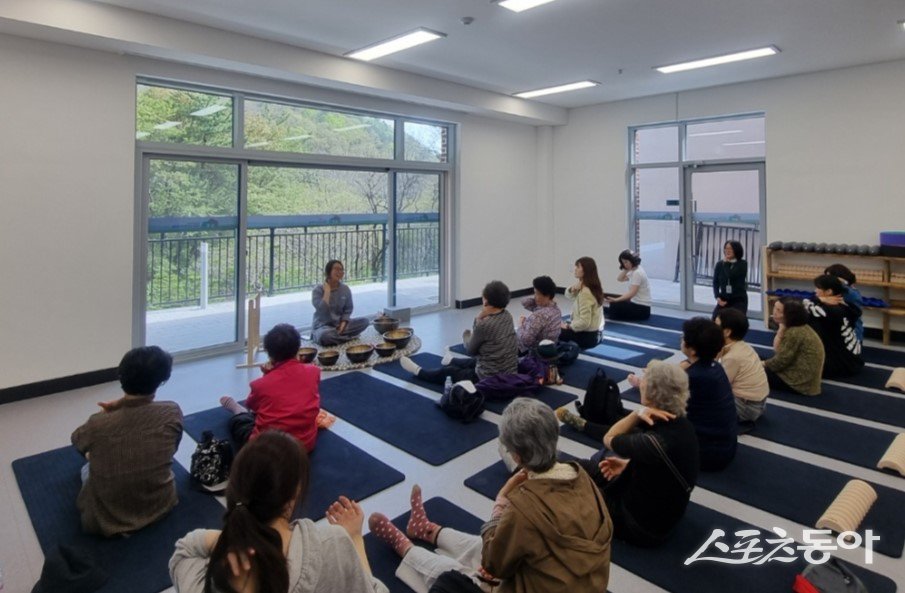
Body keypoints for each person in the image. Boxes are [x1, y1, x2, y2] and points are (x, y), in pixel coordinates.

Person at [368, 398, 612, 593]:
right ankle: (427, 529)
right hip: (578, 582)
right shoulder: (581, 477)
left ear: (516, 456)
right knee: (483, 543)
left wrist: (500, 505)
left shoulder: (524, 508)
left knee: (454, 576)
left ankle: (405, 547)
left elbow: (492, 564)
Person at [169, 431, 387, 593]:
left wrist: (231, 539)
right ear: (293, 494)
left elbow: (184, 551)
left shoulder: (208, 582)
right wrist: (354, 537)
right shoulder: (332, 543)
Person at [574, 361, 699, 547]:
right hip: (657, 509)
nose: (640, 384)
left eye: (644, 381)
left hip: (640, 526)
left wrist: (636, 414)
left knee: (570, 489)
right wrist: (629, 466)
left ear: (652, 393)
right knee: (577, 467)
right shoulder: (682, 424)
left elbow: (609, 438)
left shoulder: (653, 442)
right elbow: (665, 467)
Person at [71, 346, 183, 537]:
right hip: (161, 505)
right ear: (162, 380)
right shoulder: (172, 412)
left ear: (121, 377)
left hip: (105, 521)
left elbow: (77, 440)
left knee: (87, 467)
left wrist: (114, 409)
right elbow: (173, 449)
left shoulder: (98, 423)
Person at [220, 323, 321, 452]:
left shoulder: (260, 384)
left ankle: (237, 410)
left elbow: (252, 406)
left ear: (269, 353)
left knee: (241, 423)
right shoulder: (314, 371)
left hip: (268, 450)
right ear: (298, 349)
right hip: (304, 445)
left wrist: (267, 375)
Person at [400, 281, 517, 384]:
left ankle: (419, 371)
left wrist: (477, 320)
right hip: (510, 373)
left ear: (485, 301)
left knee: (450, 372)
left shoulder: (484, 325)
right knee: (473, 362)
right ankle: (450, 360)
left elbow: (470, 350)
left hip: (488, 379)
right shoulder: (508, 316)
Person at [674, 317, 737, 471]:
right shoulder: (715, 366)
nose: (681, 339)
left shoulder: (694, 377)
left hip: (708, 454)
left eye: (684, 337)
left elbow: (663, 407)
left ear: (693, 349)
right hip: (726, 445)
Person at [715, 308, 770, 423]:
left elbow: (718, 384)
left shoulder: (733, 357)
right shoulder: (744, 346)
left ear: (727, 332)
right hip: (758, 404)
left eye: (716, 325)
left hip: (747, 408)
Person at [804, 274, 864, 378]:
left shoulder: (830, 310)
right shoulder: (846, 305)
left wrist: (819, 300)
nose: (815, 291)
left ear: (829, 292)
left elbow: (801, 306)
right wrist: (820, 300)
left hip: (841, 366)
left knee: (806, 321)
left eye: (818, 288)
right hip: (854, 360)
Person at [762, 298, 825, 396]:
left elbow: (780, 361)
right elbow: (778, 352)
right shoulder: (800, 327)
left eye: (779, 311)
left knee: (751, 369)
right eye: (775, 308)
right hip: (803, 378)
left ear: (790, 315)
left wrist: (762, 364)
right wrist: (781, 329)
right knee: (757, 361)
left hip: (798, 383)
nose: (774, 312)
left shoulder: (794, 332)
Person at [311, 259, 369, 346]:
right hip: (323, 327)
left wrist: (343, 323)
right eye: (336, 269)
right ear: (329, 271)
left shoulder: (345, 289)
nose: (340, 272)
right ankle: (348, 338)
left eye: (341, 270)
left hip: (340, 325)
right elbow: (322, 310)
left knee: (365, 321)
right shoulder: (318, 290)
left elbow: (348, 309)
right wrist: (327, 292)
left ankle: (339, 336)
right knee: (325, 336)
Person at [560, 256, 605, 349]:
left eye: (578, 267)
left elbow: (584, 322)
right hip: (595, 334)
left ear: (586, 271)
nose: (575, 269)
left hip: (587, 338)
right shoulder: (592, 286)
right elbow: (568, 295)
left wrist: (568, 326)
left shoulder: (585, 292)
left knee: (551, 330)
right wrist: (573, 288)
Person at [516, 275, 561, 354]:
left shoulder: (539, 315)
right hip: (548, 349)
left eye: (537, 293)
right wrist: (538, 298)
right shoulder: (556, 310)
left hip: (532, 351)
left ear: (547, 295)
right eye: (534, 293)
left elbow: (526, 341)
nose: (535, 296)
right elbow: (524, 302)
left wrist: (520, 325)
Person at [605, 249, 651, 321]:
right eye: (623, 262)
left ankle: (610, 316)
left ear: (632, 260)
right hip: (636, 304)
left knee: (615, 305)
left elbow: (632, 293)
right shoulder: (634, 270)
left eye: (626, 262)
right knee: (615, 302)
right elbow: (620, 279)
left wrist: (616, 300)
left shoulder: (637, 273)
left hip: (642, 309)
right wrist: (625, 269)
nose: (624, 264)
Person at [824, 264, 865, 343]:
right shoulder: (837, 290)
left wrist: (842, 281)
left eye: (829, 278)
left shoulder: (850, 293)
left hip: (852, 334)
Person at [712, 240, 748, 319]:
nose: (727, 251)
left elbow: (730, 275)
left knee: (735, 321)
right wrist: (717, 297)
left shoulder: (742, 264)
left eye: (730, 249)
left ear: (736, 250)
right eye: (726, 248)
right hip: (724, 298)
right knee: (715, 318)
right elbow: (715, 282)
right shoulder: (719, 264)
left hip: (738, 299)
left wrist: (726, 263)